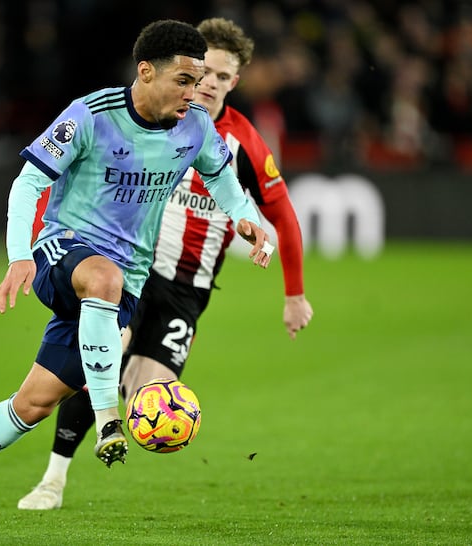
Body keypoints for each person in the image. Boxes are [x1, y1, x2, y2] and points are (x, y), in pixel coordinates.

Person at [0, 19, 274, 532]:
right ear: (145, 72)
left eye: (201, 79)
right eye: (184, 80)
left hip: (127, 278)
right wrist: (18, 256)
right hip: (62, 251)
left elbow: (220, 176)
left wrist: (242, 215)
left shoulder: (196, 128)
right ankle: (108, 418)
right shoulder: (90, 116)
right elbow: (27, 184)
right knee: (102, 280)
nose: (196, 92)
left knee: (33, 404)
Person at [17, 17, 313, 511]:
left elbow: (281, 212)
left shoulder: (240, 141)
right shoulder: (147, 122)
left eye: (220, 77)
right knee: (98, 365)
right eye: (202, 74)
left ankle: (119, 426)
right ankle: (53, 479)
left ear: (233, 82)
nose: (208, 85)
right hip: (134, 270)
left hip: (187, 291)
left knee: (152, 396)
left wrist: (294, 292)